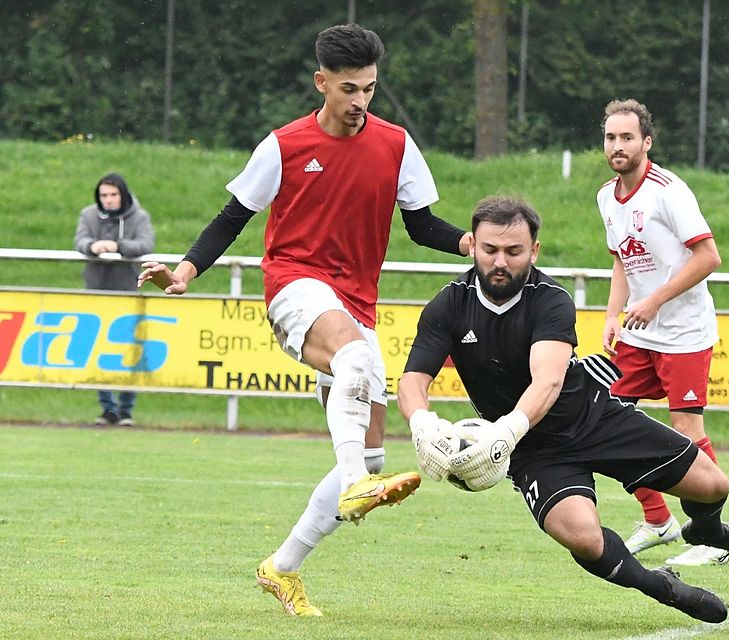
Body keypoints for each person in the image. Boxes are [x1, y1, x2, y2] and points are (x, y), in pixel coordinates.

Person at [138, 24, 470, 616]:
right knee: (354, 360)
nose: (361, 101)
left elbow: (421, 227)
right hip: (294, 284)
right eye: (349, 89)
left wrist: (471, 241)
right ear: (322, 83)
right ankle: (352, 485)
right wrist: (188, 270)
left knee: (370, 452)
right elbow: (230, 217)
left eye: (370, 88)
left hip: (356, 301)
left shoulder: (396, 145)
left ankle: (282, 567)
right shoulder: (284, 146)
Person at [397, 196, 729, 624]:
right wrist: (422, 425)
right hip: (535, 452)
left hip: (593, 418)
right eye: (490, 250)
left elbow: (549, 380)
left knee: (713, 485)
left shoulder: (550, 299)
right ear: (473, 246)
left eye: (514, 251)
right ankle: (661, 586)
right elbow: (412, 381)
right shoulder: (448, 305)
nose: (501, 261)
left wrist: (505, 431)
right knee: (582, 537)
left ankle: (709, 530)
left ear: (534, 251)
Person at [596, 99, 727, 566]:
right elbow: (621, 260)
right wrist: (614, 315)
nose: (618, 145)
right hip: (638, 333)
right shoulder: (606, 195)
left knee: (686, 430)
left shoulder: (669, 190)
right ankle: (658, 519)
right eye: (611, 137)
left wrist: (654, 300)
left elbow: (708, 257)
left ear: (646, 142)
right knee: (602, 419)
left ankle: (712, 539)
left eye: (627, 137)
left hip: (685, 334)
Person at [74, 172, 156, 427]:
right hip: (97, 291)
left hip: (127, 291)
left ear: (123, 195)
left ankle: (126, 409)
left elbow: (146, 244)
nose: (108, 200)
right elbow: (79, 240)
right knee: (99, 350)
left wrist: (117, 246)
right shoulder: (88, 215)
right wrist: (92, 246)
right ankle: (107, 408)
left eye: (113, 195)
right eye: (103, 195)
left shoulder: (139, 217)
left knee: (129, 351)